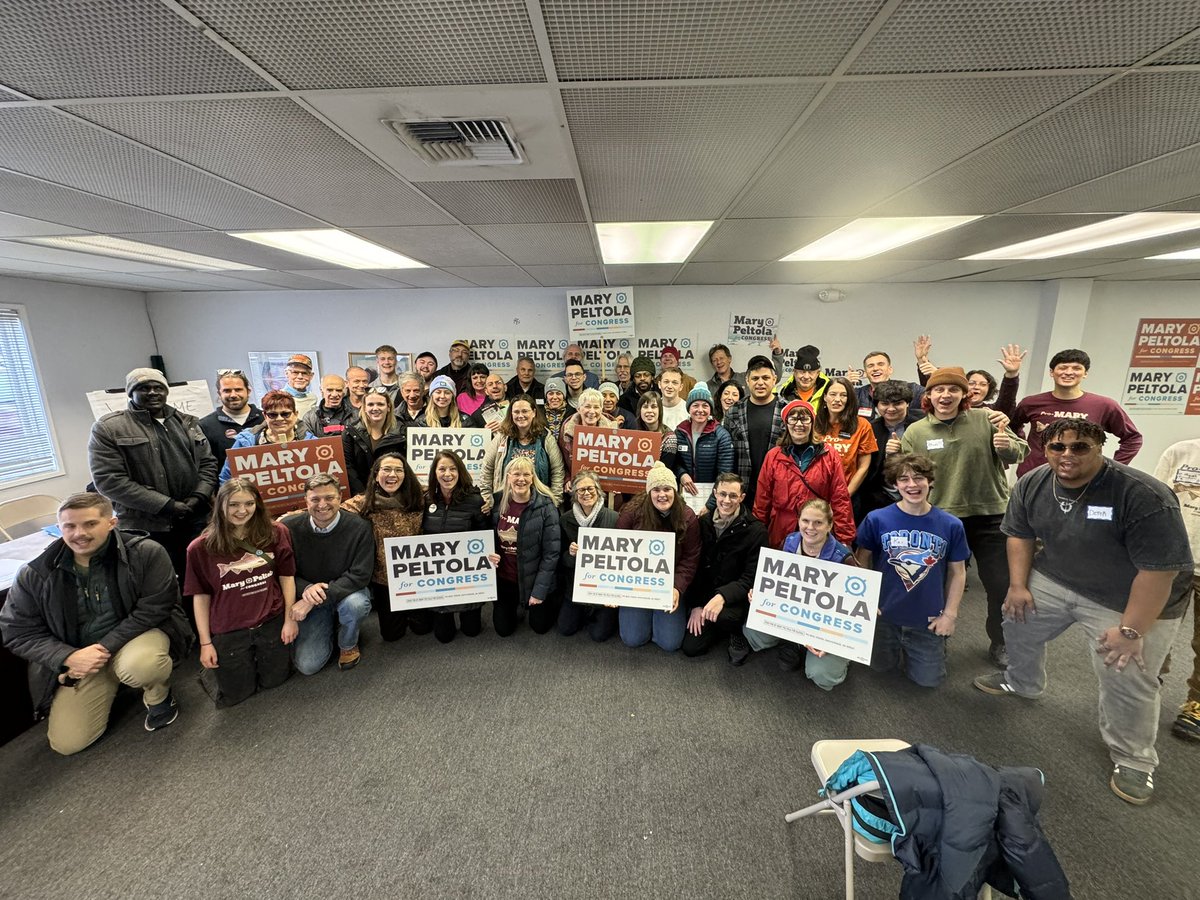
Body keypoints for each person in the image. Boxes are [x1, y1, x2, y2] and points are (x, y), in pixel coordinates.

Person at [973, 419, 1193, 805]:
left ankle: (1134, 759)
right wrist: (1019, 586)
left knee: (1126, 670)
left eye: (1080, 447)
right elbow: (1020, 535)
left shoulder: (1142, 495)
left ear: (1100, 448)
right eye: (1058, 447)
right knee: (1017, 618)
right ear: (1045, 449)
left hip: (1131, 599)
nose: (1067, 455)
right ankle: (1022, 681)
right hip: (1058, 577)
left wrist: (1130, 630)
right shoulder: (1033, 482)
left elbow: (1158, 572)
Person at [0, 492, 191, 754]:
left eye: (90, 524)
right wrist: (67, 657)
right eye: (70, 526)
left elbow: (155, 608)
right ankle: (112, 679)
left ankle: (157, 693)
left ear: (112, 523)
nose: (80, 533)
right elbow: (17, 632)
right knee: (67, 744)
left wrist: (101, 648)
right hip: (79, 654)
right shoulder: (35, 572)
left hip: (135, 637)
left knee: (142, 665)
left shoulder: (145, 552)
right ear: (60, 528)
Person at [901, 366, 1028, 669]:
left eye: (953, 390)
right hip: (940, 519)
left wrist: (1007, 445)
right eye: (939, 390)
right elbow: (905, 476)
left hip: (990, 516)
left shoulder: (986, 419)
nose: (946, 395)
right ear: (928, 396)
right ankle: (936, 639)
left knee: (1000, 584)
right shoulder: (916, 432)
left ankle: (1001, 642)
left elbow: (1019, 453)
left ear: (964, 394)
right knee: (936, 585)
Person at [88, 366, 217, 578]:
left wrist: (199, 496)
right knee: (158, 583)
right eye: (143, 388)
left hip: (194, 519)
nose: (152, 393)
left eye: (158, 387)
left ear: (166, 391)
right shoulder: (109, 428)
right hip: (147, 526)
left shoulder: (188, 422)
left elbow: (208, 463)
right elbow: (109, 480)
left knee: (199, 579)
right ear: (131, 393)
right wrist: (166, 505)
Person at [856, 454, 969, 689]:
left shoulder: (951, 525)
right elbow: (861, 559)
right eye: (903, 479)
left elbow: (958, 573)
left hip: (926, 619)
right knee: (879, 668)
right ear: (895, 484)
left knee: (928, 680)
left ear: (930, 481)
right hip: (883, 615)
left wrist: (950, 615)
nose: (912, 485)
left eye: (918, 478)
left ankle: (932, 646)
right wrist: (864, 600)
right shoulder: (877, 519)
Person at [185, 478, 297, 707]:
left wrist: (289, 620)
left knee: (276, 681)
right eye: (234, 504)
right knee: (237, 695)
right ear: (220, 505)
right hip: (230, 629)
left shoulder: (276, 532)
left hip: (270, 620)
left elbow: (287, 578)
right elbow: (201, 596)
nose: (242, 511)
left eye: (249, 503)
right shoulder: (199, 548)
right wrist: (205, 643)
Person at [743, 498, 856, 688]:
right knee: (753, 633)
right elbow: (775, 580)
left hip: (824, 625)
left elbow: (851, 610)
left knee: (822, 675)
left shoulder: (844, 558)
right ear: (799, 521)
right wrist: (760, 591)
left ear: (829, 525)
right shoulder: (790, 541)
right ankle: (793, 641)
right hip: (794, 614)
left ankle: (841, 657)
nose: (810, 527)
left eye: (818, 522)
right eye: (805, 521)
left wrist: (829, 640)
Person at [283, 474, 374, 673]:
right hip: (309, 596)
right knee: (308, 666)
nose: (322, 504)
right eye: (315, 499)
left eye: (329, 498)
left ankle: (348, 643)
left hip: (346, 594)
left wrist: (313, 599)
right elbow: (283, 572)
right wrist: (306, 589)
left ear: (340, 498)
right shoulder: (288, 528)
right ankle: (333, 623)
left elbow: (360, 575)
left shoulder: (360, 527)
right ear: (305, 500)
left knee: (356, 605)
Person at [1010, 348, 1143, 477]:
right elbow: (1011, 429)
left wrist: (1112, 468)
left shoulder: (1104, 405)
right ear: (1051, 372)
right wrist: (1025, 451)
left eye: (1076, 368)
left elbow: (1132, 438)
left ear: (1085, 373)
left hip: (1082, 478)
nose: (1068, 372)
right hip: (1035, 476)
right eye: (1063, 367)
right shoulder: (1031, 403)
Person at [343, 454, 430, 642]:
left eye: (399, 470)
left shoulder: (421, 496)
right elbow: (330, 511)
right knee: (392, 635)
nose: (393, 474)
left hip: (418, 573)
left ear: (406, 475)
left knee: (423, 628)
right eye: (387, 469)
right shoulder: (364, 502)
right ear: (376, 474)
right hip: (385, 579)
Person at [681, 473, 767, 663]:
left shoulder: (756, 531)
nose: (726, 500)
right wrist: (697, 604)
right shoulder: (702, 523)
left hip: (734, 598)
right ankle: (716, 623)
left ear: (742, 498)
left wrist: (723, 597)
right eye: (722, 494)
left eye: (733, 496)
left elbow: (751, 578)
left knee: (727, 617)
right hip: (706, 595)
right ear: (714, 494)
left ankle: (737, 632)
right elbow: (694, 565)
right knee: (691, 648)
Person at [616, 463, 701, 652]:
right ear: (649, 492)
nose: (662, 494)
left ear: (675, 490)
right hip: (637, 582)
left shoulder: (687, 517)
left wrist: (677, 588)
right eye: (656, 489)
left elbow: (690, 558)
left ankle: (666, 613)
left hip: (669, 583)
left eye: (667, 489)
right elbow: (618, 550)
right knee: (632, 638)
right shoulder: (631, 512)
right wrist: (615, 589)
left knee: (669, 643)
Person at [753, 399, 854, 549]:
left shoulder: (829, 455)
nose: (799, 424)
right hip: (781, 531)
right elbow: (762, 500)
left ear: (812, 422)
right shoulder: (773, 456)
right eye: (793, 419)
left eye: (804, 419)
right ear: (786, 424)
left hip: (816, 531)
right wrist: (757, 535)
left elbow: (840, 499)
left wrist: (845, 539)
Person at [1153, 437, 1200, 742]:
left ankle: (1196, 704)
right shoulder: (1180, 451)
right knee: (1154, 633)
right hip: (1174, 558)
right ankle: (1146, 688)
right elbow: (1156, 503)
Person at [423, 451, 491, 643]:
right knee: (443, 636)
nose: (448, 474)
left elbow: (485, 534)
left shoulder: (474, 500)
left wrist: (489, 555)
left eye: (453, 469)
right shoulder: (426, 499)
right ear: (434, 472)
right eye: (442, 469)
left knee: (472, 631)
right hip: (437, 576)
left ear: (460, 472)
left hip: (466, 576)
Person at [490, 457, 561, 637]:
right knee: (502, 630)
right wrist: (489, 555)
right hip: (506, 579)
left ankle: (547, 601)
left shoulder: (546, 507)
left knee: (540, 627)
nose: (521, 479)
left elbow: (551, 554)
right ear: (508, 477)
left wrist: (538, 592)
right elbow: (487, 539)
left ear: (532, 478)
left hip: (534, 579)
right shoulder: (497, 502)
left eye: (526, 474)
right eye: (516, 474)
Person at [556, 470, 621, 641]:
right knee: (565, 628)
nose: (586, 493)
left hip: (603, 589)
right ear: (575, 495)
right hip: (576, 586)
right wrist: (570, 555)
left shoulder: (614, 519)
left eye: (590, 489)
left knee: (599, 636)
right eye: (581, 490)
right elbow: (560, 561)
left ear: (598, 490)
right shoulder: (565, 520)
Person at [480, 395, 565, 509]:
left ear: (534, 412)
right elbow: (487, 468)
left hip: (539, 506)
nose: (520, 415)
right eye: (516, 412)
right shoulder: (502, 437)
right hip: (505, 504)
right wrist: (488, 499)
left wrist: (554, 501)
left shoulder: (546, 438)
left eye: (525, 411)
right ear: (511, 414)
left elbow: (558, 471)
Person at [723, 355, 786, 507]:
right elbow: (726, 455)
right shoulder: (734, 412)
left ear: (774, 379)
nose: (760, 383)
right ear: (747, 380)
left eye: (765, 377)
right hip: (742, 492)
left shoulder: (787, 411)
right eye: (755, 378)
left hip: (778, 490)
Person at [857, 380, 923, 523]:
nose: (891, 408)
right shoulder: (870, 429)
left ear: (908, 403)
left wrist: (903, 452)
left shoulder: (922, 424)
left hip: (919, 495)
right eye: (885, 403)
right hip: (881, 498)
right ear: (877, 406)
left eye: (897, 403)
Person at [220, 389, 317, 483]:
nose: (279, 419)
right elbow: (227, 479)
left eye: (285, 414)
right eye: (272, 415)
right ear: (265, 416)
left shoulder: (313, 444)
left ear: (295, 414)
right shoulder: (246, 442)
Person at [814, 376, 878, 501]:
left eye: (843, 395)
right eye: (833, 394)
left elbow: (863, 467)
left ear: (849, 400)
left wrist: (844, 496)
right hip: (814, 494)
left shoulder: (862, 425)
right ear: (825, 397)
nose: (837, 399)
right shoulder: (813, 423)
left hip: (847, 495)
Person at [674, 385, 733, 506]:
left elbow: (724, 476)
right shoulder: (679, 432)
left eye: (705, 406)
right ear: (689, 409)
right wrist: (681, 474)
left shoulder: (721, 436)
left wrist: (710, 504)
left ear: (710, 410)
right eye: (695, 405)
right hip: (684, 496)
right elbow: (674, 461)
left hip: (712, 498)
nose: (700, 410)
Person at [343, 387, 405, 495]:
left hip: (393, 493)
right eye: (370, 404)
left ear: (389, 407)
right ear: (364, 408)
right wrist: (363, 495)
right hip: (360, 493)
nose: (375, 408)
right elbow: (348, 467)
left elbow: (404, 467)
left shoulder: (402, 433)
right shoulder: (350, 432)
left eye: (380, 404)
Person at [198, 368, 263, 469]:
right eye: (227, 391)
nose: (233, 395)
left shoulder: (266, 419)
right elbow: (206, 466)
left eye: (238, 389)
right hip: (227, 483)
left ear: (248, 391)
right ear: (219, 394)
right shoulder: (205, 426)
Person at [853, 347, 926, 422]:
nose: (875, 368)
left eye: (880, 364)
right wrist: (845, 384)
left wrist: (928, 370)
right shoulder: (857, 394)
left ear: (890, 370)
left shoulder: (911, 389)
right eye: (870, 366)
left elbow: (932, 396)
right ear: (865, 373)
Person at [559, 387, 620, 465]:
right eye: (587, 406)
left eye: (596, 407)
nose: (592, 411)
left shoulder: (613, 430)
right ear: (579, 409)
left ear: (601, 409)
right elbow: (563, 463)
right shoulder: (567, 430)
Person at [964, 343, 1026, 416]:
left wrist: (1011, 374)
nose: (976, 387)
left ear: (989, 390)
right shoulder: (952, 410)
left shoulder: (993, 411)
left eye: (983, 384)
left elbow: (1006, 401)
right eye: (971, 383)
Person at [299, 373, 354, 438]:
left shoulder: (355, 415)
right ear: (321, 390)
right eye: (329, 390)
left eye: (338, 390)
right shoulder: (310, 418)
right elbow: (309, 445)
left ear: (344, 392)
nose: (334, 394)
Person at [636, 392, 678, 471]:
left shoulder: (670, 438)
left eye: (653, 407)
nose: (649, 411)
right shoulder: (633, 434)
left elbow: (665, 470)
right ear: (640, 410)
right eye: (645, 407)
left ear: (660, 410)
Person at [282, 353, 317, 418]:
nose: (300, 377)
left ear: (311, 376)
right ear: (286, 373)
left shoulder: (312, 398)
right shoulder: (276, 398)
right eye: (295, 372)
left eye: (304, 373)